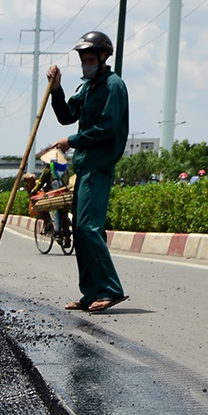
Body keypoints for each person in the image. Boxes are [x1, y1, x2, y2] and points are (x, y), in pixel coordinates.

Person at [45, 31, 130, 312]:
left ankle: (110, 289)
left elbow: (107, 128)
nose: (87, 65)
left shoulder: (114, 87)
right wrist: (56, 89)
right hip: (84, 165)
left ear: (104, 58)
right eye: (84, 61)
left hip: (99, 164)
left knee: (88, 228)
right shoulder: (86, 88)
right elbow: (67, 115)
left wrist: (73, 141)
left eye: (91, 60)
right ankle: (91, 292)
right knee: (80, 232)